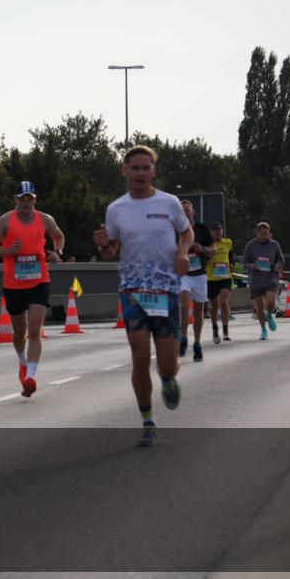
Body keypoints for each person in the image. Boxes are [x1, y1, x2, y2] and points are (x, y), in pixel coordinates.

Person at [93, 145, 192, 447]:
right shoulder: (116, 209)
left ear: (153, 171)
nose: (139, 173)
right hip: (133, 289)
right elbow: (111, 250)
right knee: (138, 355)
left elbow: (186, 233)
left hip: (165, 289)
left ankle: (168, 378)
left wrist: (183, 252)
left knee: (167, 364)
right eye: (134, 168)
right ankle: (147, 420)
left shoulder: (169, 202)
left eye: (145, 168)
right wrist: (102, 246)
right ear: (124, 171)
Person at [0, 181, 65, 398]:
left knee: (34, 329)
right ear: (16, 200)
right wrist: (9, 250)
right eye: (22, 199)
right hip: (13, 284)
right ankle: (22, 361)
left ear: (35, 200)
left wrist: (57, 252)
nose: (26, 203)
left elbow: (59, 236)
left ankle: (31, 376)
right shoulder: (5, 221)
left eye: (30, 199)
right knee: (19, 333)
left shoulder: (45, 219)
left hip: (39, 281)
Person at [178, 201, 215, 362]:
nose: (185, 213)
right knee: (185, 305)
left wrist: (203, 249)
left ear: (193, 211)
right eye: (182, 211)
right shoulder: (176, 230)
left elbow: (214, 250)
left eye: (187, 210)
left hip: (199, 274)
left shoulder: (202, 229)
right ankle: (184, 338)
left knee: (199, 310)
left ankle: (198, 343)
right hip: (183, 274)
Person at [243, 222, 284, 339]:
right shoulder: (250, 245)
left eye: (266, 234)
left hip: (271, 278)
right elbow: (244, 263)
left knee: (271, 302)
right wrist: (251, 266)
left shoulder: (275, 245)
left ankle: (270, 315)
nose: (264, 237)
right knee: (260, 307)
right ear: (257, 233)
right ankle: (263, 330)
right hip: (256, 280)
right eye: (262, 234)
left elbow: (281, 260)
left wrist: (278, 266)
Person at [205, 223, 233, 343]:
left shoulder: (228, 242)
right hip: (211, 278)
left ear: (222, 231)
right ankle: (215, 328)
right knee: (214, 305)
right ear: (212, 232)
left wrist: (231, 263)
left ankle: (225, 331)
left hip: (225, 277)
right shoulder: (209, 245)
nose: (217, 232)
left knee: (223, 301)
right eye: (215, 230)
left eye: (219, 230)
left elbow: (230, 254)